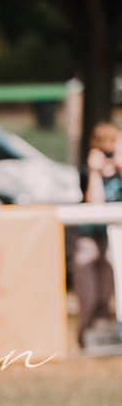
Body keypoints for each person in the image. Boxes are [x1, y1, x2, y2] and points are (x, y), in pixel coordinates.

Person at [73, 121, 120, 347]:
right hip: (89, 236)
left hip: (114, 237)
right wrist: (95, 171)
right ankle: (85, 337)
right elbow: (95, 203)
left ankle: (104, 338)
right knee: (89, 294)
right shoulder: (87, 170)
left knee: (106, 293)